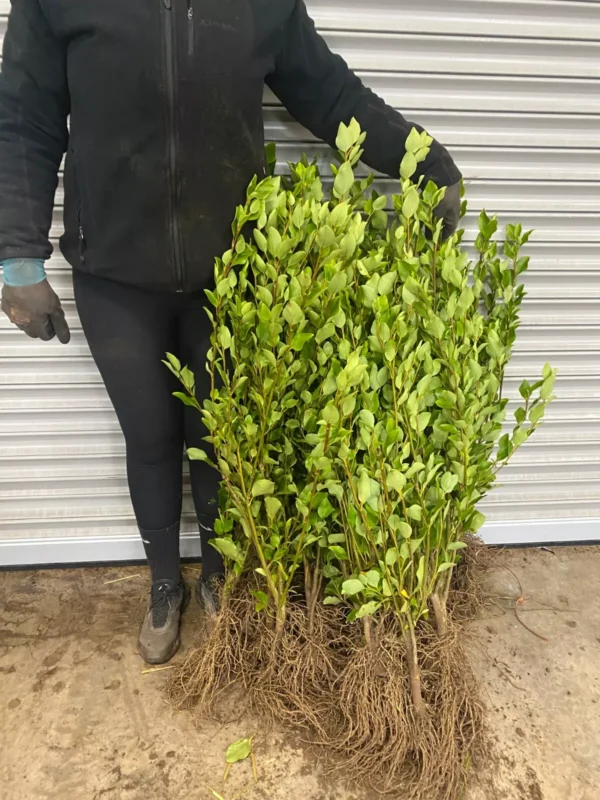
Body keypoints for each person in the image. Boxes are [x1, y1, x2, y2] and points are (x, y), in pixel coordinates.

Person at [0, 0, 462, 664]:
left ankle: (218, 576)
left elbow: (329, 93)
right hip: (113, 269)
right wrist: (18, 258)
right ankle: (165, 585)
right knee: (151, 435)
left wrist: (426, 161)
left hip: (232, 268)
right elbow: (25, 116)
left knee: (219, 434)